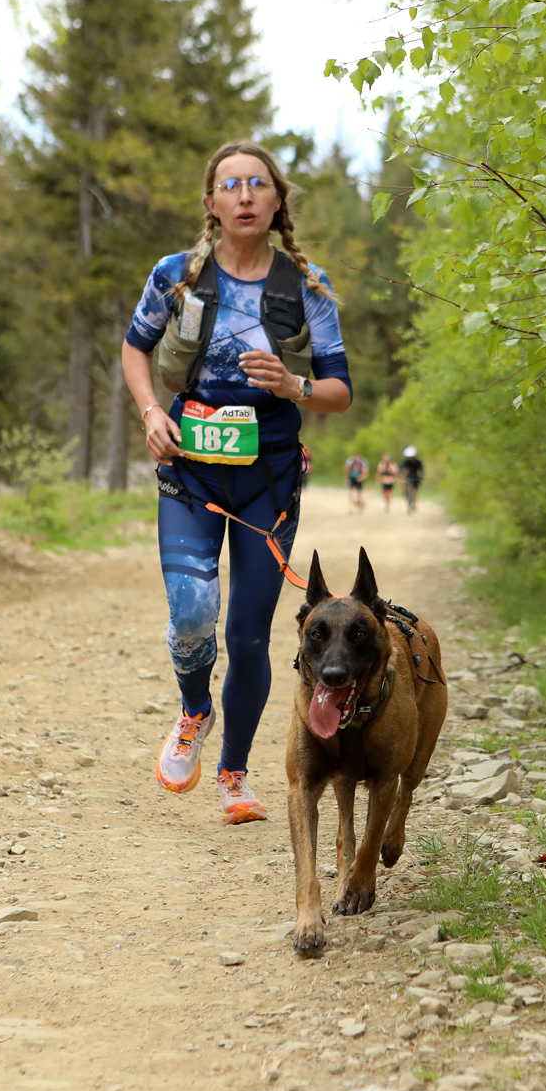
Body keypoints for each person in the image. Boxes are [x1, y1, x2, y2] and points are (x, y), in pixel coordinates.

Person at [121, 140, 352, 824]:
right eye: (231, 185)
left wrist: (293, 384)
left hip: (268, 482)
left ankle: (234, 775)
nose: (245, 194)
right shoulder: (177, 275)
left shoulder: (307, 286)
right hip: (190, 471)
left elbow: (339, 391)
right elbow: (135, 349)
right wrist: (151, 412)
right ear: (211, 203)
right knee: (193, 613)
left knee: (250, 635)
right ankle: (195, 709)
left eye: (258, 183)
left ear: (277, 200)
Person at [400, 444, 424, 513]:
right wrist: (402, 476)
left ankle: (413, 503)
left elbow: (421, 470)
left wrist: (421, 477)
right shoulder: (405, 462)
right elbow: (401, 469)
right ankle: (405, 492)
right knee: (403, 482)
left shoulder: (418, 462)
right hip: (408, 477)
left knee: (415, 490)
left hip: (415, 477)